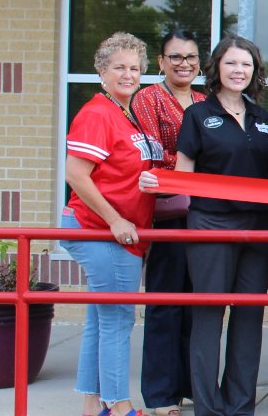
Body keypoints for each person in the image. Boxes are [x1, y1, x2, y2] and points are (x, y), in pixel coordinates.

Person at [142, 35, 268, 416]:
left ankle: (240, 406)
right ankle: (208, 407)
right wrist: (156, 183)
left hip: (256, 230)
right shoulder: (198, 115)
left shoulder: (264, 120)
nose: (239, 71)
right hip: (210, 226)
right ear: (217, 69)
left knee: (249, 317)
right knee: (208, 315)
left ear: (254, 71)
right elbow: (184, 179)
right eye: (231, 63)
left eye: (246, 64)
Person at [63, 32, 163, 416]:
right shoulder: (97, 112)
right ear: (101, 71)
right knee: (118, 317)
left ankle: (92, 403)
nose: (128, 74)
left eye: (135, 68)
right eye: (119, 67)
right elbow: (77, 174)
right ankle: (120, 406)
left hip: (120, 231)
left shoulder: (127, 110)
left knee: (101, 317)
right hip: (100, 230)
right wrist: (116, 219)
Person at [130, 29, 204, 416]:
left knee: (195, 304)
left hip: (203, 217)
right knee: (165, 304)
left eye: (190, 57)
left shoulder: (204, 101)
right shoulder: (148, 98)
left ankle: (189, 385)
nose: (184, 64)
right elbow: (154, 154)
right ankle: (160, 395)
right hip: (167, 215)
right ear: (160, 62)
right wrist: (194, 170)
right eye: (175, 57)